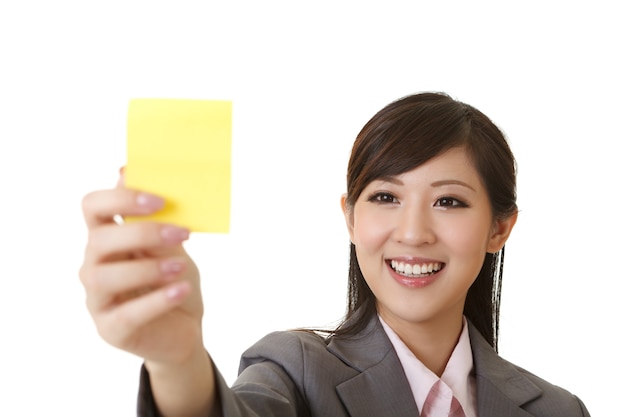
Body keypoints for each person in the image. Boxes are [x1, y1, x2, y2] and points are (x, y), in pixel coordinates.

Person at [80, 92, 590, 416]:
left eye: (448, 201)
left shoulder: (560, 410)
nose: (412, 233)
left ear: (499, 228)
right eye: (385, 198)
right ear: (350, 218)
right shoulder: (295, 372)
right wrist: (177, 363)